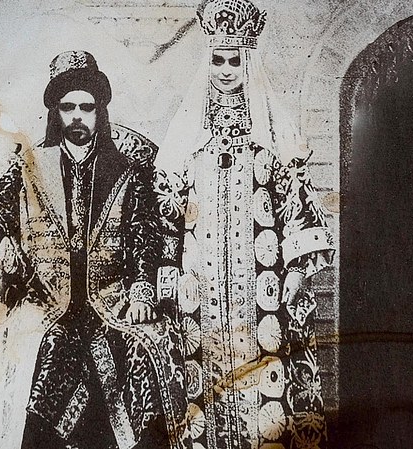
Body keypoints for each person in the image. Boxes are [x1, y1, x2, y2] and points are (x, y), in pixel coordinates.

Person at [0, 50, 187, 449]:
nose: (77, 117)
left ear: (99, 112)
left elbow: (144, 233)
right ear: (56, 113)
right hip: (46, 302)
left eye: (87, 108)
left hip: (112, 302)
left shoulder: (127, 170)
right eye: (68, 108)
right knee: (45, 357)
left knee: (142, 355)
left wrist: (141, 292)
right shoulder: (29, 167)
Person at [153, 1, 336, 448]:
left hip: (262, 285)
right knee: (202, 388)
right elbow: (166, 211)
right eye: (218, 60)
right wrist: (169, 268)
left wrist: (296, 270)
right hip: (201, 288)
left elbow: (296, 204)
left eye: (234, 61)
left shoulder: (272, 138)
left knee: (268, 385)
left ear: (247, 62)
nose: (225, 70)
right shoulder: (189, 140)